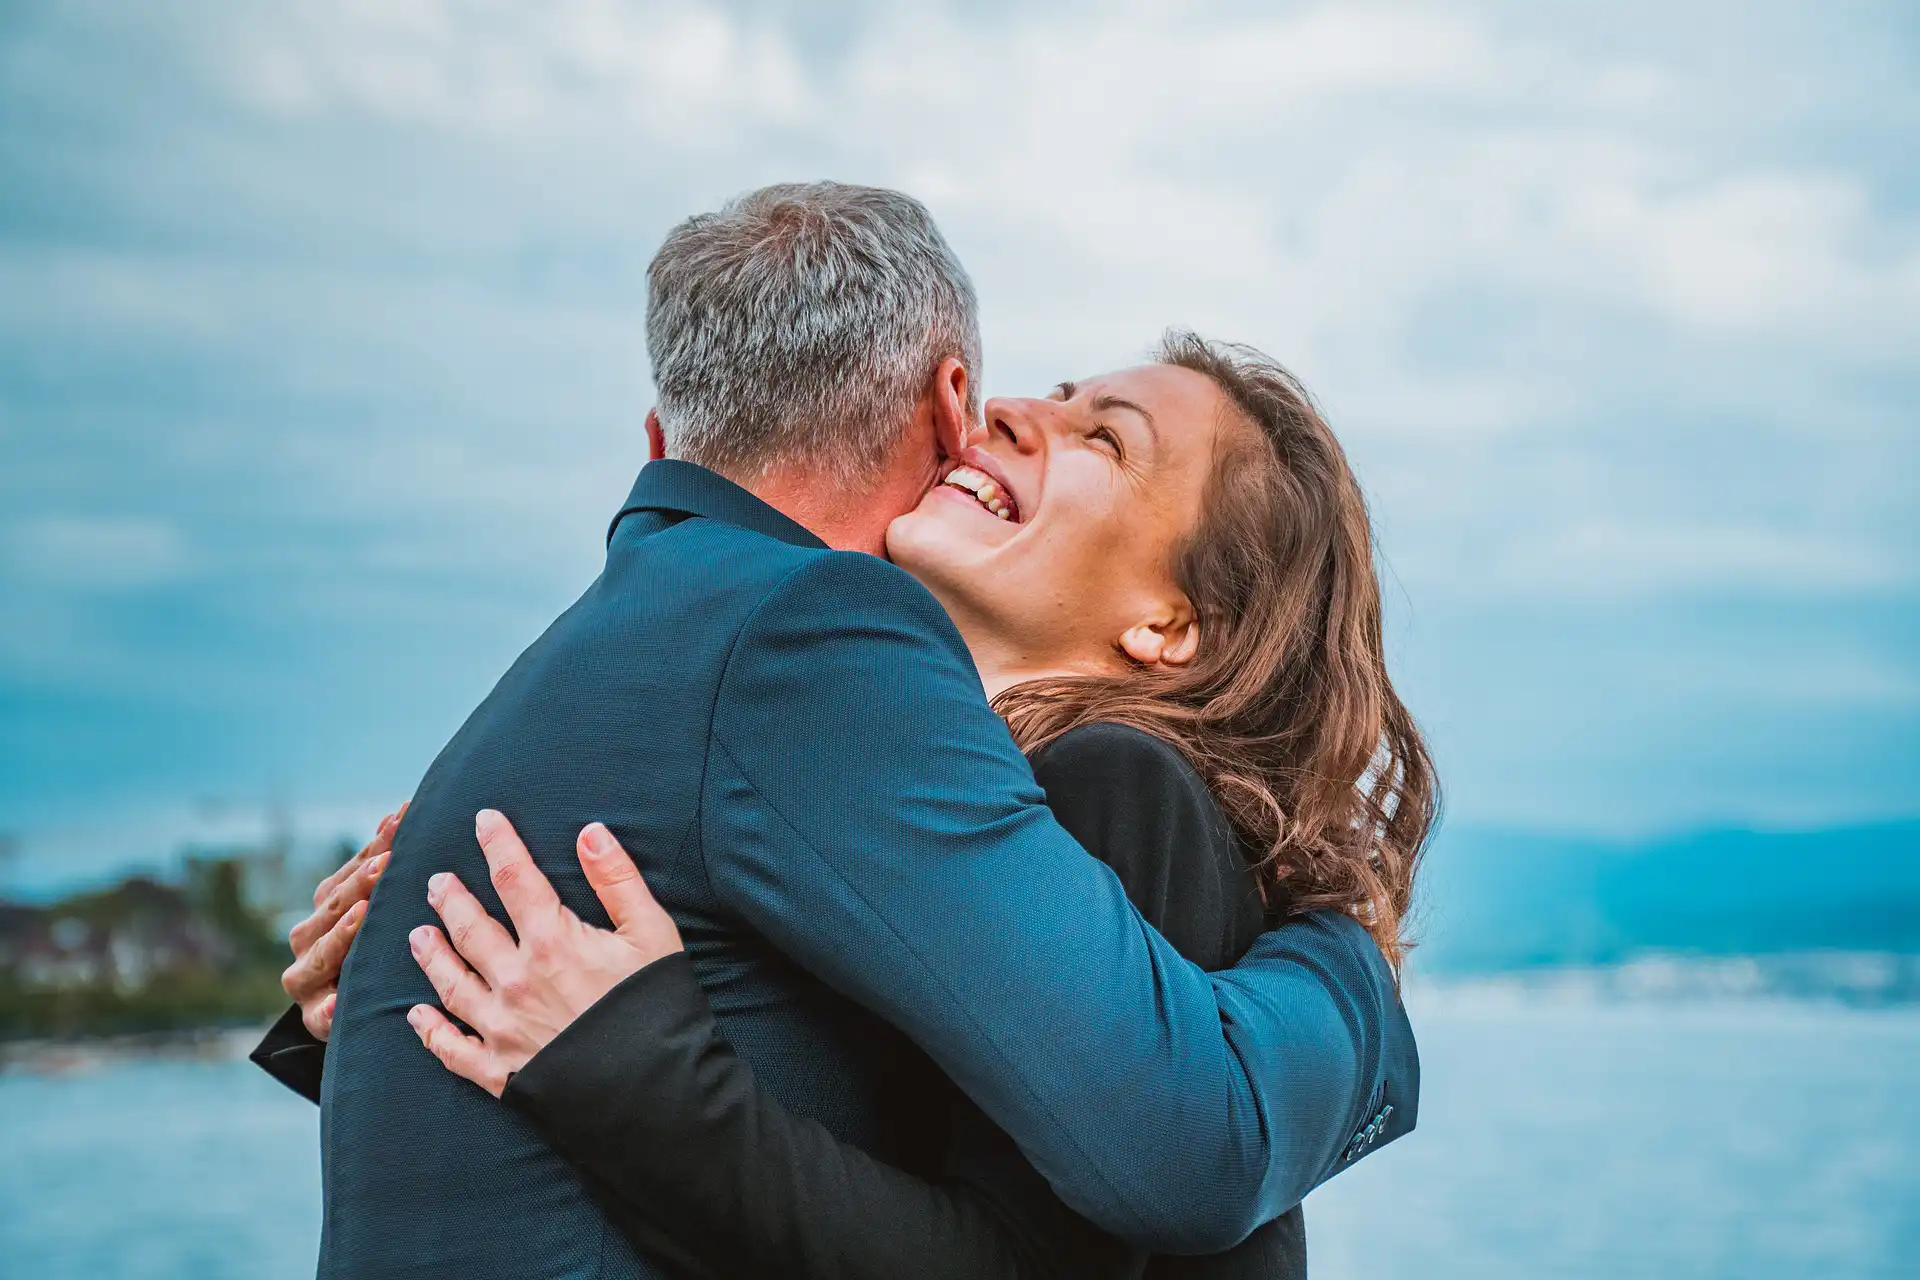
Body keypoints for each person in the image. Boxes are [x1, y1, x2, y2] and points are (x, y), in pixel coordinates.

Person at [254, 182, 1425, 1278]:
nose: (1018, 417)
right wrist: (401, 989)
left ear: (1175, 620)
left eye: (1105, 438)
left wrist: (1350, 969)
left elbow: (1150, 1176)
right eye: (1052, 393)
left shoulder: (1112, 785)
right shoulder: (857, 742)